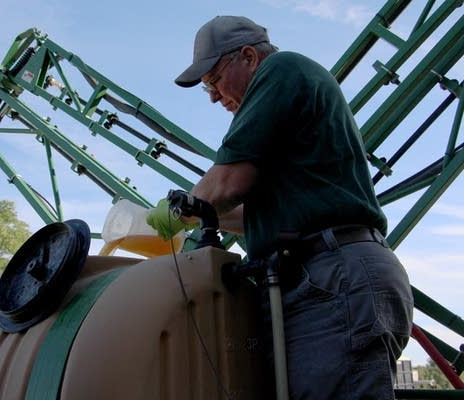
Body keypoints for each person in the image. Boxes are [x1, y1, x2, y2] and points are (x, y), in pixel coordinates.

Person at [146, 15, 414, 399]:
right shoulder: (289, 118)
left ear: (250, 57)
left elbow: (227, 183)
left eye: (215, 81)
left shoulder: (282, 69)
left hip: (332, 277)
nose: (213, 97)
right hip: (324, 278)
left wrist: (173, 213)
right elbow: (244, 211)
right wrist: (204, 212)